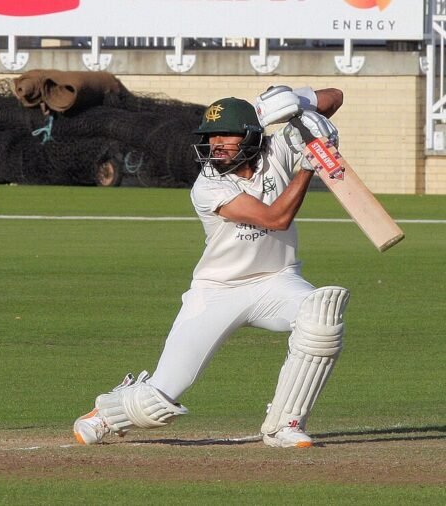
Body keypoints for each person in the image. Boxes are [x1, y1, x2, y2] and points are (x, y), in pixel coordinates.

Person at [73, 85, 349, 448]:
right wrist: (307, 169)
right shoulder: (208, 185)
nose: (215, 143)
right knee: (158, 399)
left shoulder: (278, 149)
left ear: (251, 135)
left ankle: (285, 424)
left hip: (277, 281)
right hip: (217, 291)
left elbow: (335, 97)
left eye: (225, 135)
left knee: (321, 316)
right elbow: (275, 218)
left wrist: (293, 105)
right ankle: (107, 412)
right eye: (210, 136)